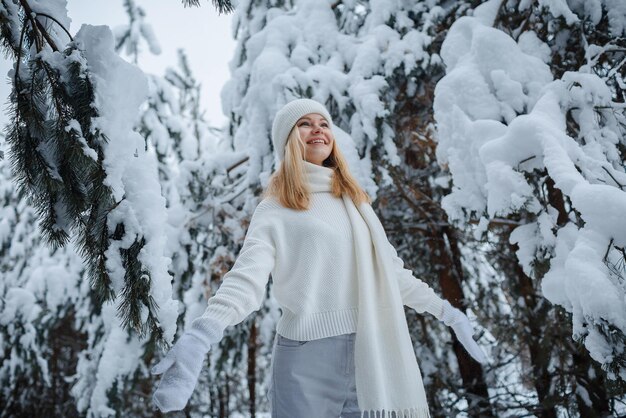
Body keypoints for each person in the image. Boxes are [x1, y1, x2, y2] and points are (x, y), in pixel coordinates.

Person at [151, 98, 487, 417]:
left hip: (369, 353)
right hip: (305, 356)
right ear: (287, 141)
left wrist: (448, 313)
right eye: (304, 124)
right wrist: (201, 336)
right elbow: (246, 279)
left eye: (323, 123)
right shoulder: (276, 207)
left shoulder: (356, 204)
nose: (317, 129)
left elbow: (392, 274)